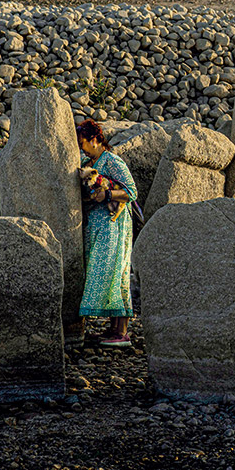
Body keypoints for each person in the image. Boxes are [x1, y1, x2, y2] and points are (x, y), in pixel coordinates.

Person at [74, 118, 138, 347]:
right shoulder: (87, 161)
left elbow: (131, 192)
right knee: (104, 271)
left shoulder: (112, 161)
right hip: (98, 225)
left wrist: (108, 195)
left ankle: (122, 331)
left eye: (83, 142)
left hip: (114, 225)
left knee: (115, 271)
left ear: (95, 140)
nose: (81, 147)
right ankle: (113, 329)